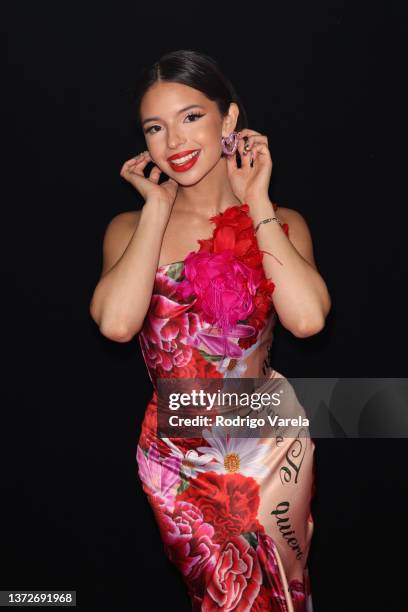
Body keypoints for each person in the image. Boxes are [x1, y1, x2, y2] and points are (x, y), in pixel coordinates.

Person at [89, 49, 331, 611]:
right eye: (155, 127)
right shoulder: (128, 227)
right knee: (223, 593)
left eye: (191, 116)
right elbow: (118, 325)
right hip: (178, 452)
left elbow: (308, 319)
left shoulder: (282, 221)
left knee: (281, 594)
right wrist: (155, 208)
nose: (173, 140)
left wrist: (258, 202)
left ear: (229, 120)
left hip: (271, 441)